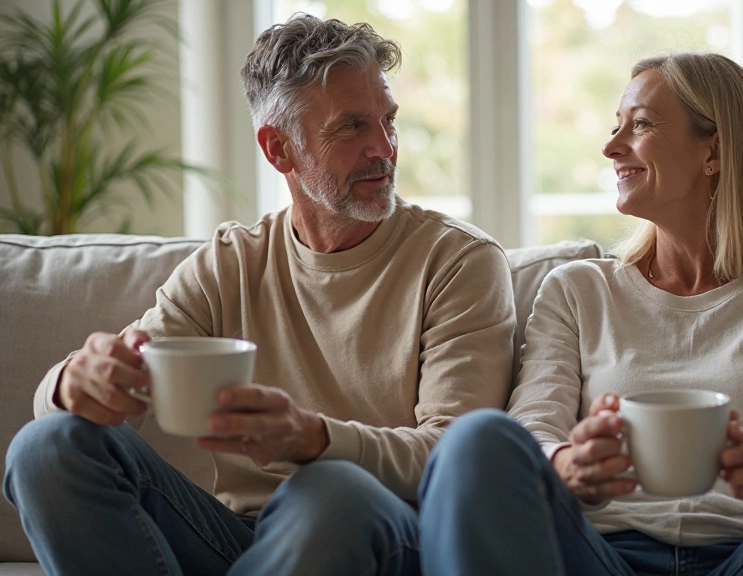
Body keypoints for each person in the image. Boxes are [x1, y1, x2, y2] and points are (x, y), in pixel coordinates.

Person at [3, 14, 515, 576]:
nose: (384, 147)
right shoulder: (231, 264)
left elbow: (457, 459)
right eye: (351, 127)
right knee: (45, 447)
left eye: (387, 120)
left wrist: (313, 439)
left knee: (332, 488)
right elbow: (115, 385)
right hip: (237, 538)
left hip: (382, 533)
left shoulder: (458, 261)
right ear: (279, 150)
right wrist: (76, 383)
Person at [417, 52, 743, 576]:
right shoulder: (578, 290)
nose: (610, 147)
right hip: (600, 556)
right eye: (616, 125)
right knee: (474, 439)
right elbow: (531, 431)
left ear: (713, 151)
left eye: (640, 124)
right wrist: (568, 464)